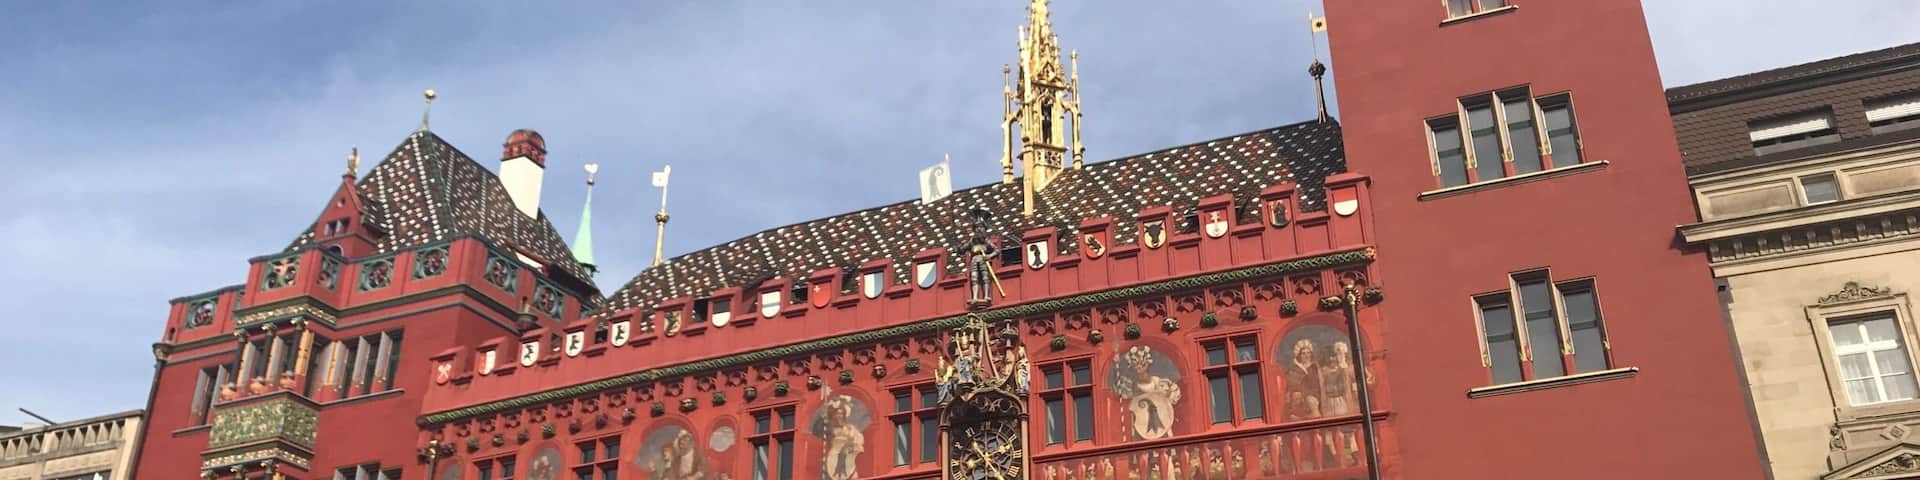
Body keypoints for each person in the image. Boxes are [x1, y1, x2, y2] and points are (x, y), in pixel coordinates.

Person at [1114, 347, 1181, 440]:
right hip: (1142, 422)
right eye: (1136, 366)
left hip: (1161, 417)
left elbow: (1171, 394)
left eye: (1142, 365)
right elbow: (1133, 406)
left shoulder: (1157, 381)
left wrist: (1167, 395)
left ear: (1147, 365)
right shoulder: (1134, 386)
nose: (1139, 368)